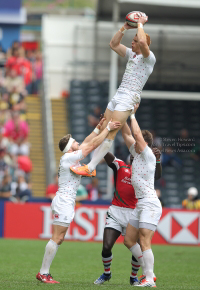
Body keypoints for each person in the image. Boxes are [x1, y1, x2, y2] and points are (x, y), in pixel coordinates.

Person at [36, 117, 121, 284]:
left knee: (59, 238)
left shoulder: (70, 157)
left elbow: (87, 141)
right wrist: (107, 129)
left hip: (65, 200)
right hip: (64, 201)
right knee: (57, 237)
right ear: (70, 148)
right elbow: (90, 146)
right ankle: (43, 273)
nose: (77, 142)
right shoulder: (69, 158)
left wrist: (98, 128)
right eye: (74, 142)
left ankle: (44, 272)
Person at [70, 14, 156, 177]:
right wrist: (124, 27)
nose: (133, 42)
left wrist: (140, 25)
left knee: (111, 132)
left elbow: (144, 42)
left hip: (130, 97)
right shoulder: (132, 54)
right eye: (133, 39)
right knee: (103, 127)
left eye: (135, 40)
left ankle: (91, 167)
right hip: (119, 94)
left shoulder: (149, 58)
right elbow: (113, 44)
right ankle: (83, 159)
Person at [94, 146, 162, 285]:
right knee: (106, 246)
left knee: (136, 246)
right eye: (132, 154)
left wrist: (158, 160)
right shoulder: (120, 166)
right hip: (115, 212)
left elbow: (158, 176)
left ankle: (133, 277)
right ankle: (107, 274)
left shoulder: (144, 173)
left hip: (134, 213)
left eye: (137, 155)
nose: (133, 156)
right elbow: (105, 153)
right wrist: (103, 138)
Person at [122, 105, 162, 287]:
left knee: (144, 241)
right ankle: (149, 272)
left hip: (150, 204)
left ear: (143, 144)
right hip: (140, 204)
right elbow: (127, 135)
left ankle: (148, 279)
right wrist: (120, 115)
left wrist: (132, 114)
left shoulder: (147, 155)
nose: (133, 143)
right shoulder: (136, 153)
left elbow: (136, 135)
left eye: (137, 141)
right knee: (129, 240)